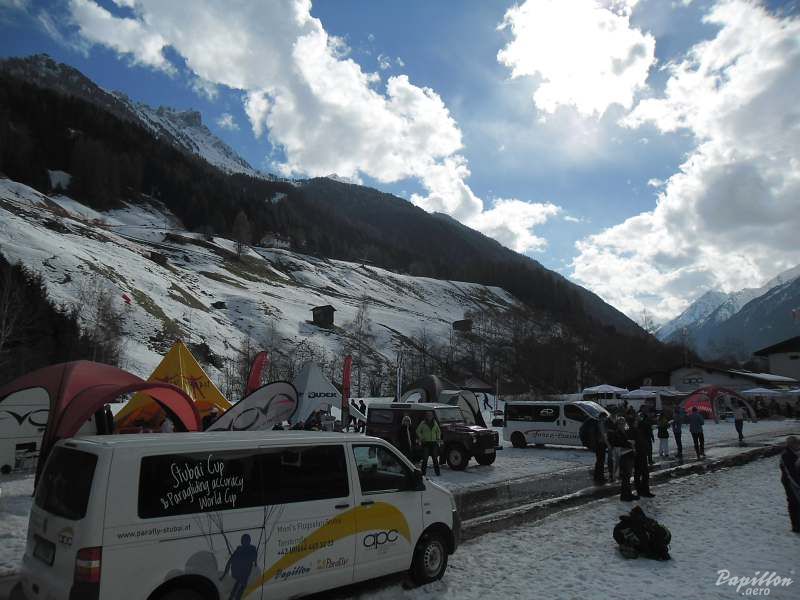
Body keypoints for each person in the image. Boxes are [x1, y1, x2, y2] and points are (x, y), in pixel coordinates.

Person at [220, 533, 258, 600]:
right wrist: (224, 574)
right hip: (240, 573)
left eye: (245, 540)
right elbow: (230, 561)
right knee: (240, 585)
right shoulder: (240, 550)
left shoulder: (246, 549)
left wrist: (224, 574)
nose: (244, 542)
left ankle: (233, 597)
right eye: (244, 540)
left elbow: (254, 559)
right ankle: (234, 597)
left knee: (238, 585)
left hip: (240, 573)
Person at [609, 416, 636, 501]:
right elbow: (618, 444)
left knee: (628, 476)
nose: (622, 425)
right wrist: (629, 443)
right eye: (620, 423)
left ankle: (629, 494)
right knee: (625, 477)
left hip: (628, 455)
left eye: (623, 423)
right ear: (617, 424)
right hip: (623, 456)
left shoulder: (625, 432)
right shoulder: (616, 433)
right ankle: (625, 496)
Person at [779, 436, 800, 533]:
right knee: (793, 502)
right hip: (789, 482)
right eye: (797, 444)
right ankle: (796, 526)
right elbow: (790, 472)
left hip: (796, 480)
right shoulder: (786, 455)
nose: (798, 446)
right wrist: (797, 484)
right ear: (791, 445)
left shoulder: (796, 453)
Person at [633, 413, 655, 497]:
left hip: (639, 451)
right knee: (643, 473)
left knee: (639, 473)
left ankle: (641, 491)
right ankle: (644, 491)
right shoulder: (641, 427)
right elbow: (648, 435)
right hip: (640, 451)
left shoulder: (637, 428)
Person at [416, 411, 442, 476]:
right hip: (426, 443)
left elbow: (438, 431)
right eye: (428, 415)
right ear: (426, 416)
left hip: (434, 442)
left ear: (433, 416)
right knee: (425, 459)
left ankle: (437, 473)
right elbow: (418, 431)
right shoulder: (423, 423)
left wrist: (438, 437)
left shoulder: (435, 422)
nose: (429, 416)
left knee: (435, 458)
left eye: (431, 415)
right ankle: (423, 473)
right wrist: (422, 437)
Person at [594, 413, 610, 484]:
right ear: (602, 417)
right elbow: (604, 435)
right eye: (605, 417)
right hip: (600, 444)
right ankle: (600, 477)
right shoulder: (601, 424)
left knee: (599, 461)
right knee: (601, 461)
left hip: (598, 444)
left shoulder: (597, 423)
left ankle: (596, 476)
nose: (606, 418)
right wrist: (608, 445)